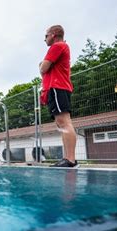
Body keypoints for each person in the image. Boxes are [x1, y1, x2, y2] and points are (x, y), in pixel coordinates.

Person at [39, 25, 78, 168]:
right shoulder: (62, 47)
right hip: (57, 88)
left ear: (54, 34)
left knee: (64, 122)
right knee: (61, 124)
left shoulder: (57, 46)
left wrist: (42, 66)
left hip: (58, 87)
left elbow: (43, 68)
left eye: (46, 36)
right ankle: (68, 158)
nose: (45, 39)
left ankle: (70, 159)